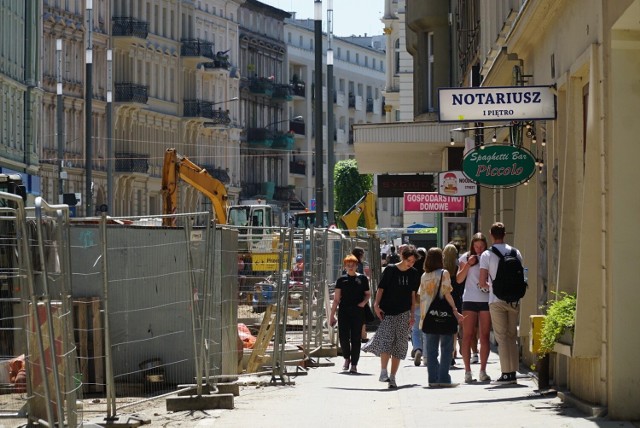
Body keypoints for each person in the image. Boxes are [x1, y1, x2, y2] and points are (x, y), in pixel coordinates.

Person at [363, 245, 420, 388]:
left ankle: (393, 376)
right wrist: (376, 305)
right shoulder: (390, 270)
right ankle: (383, 371)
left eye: (413, 261)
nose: (410, 264)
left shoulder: (413, 273)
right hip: (388, 311)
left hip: (404, 312)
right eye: (409, 260)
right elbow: (381, 288)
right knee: (387, 340)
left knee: (399, 345)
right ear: (403, 257)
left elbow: (413, 296)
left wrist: (412, 314)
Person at [479, 222, 523, 385]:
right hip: (514, 299)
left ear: (491, 235)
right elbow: (522, 273)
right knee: (512, 335)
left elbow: (482, 281)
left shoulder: (487, 255)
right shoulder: (515, 252)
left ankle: (506, 373)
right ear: (505, 234)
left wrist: (491, 287)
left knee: (502, 337)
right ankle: (514, 372)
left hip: (496, 300)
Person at [418, 247, 464, 387]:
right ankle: (443, 378)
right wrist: (455, 310)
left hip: (428, 317)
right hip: (443, 315)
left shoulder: (424, 276)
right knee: (446, 348)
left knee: (431, 351)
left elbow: (422, 296)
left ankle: (432, 379)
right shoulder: (444, 273)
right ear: (440, 259)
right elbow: (447, 293)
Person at [457, 233, 492, 383]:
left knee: (484, 336)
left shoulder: (489, 256)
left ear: (485, 245)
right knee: (467, 335)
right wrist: (468, 264)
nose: (479, 249)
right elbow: (459, 279)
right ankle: (467, 371)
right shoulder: (465, 258)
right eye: (476, 246)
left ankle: (483, 370)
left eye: (481, 246)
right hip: (469, 299)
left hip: (486, 299)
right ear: (472, 245)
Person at [329, 254, 371, 373]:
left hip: (358, 311)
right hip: (344, 311)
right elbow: (336, 299)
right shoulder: (341, 280)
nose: (350, 267)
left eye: (353, 265)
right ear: (345, 267)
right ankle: (347, 358)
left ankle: (354, 364)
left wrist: (363, 303)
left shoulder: (362, 279)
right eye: (348, 265)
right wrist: (332, 316)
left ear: (357, 266)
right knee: (343, 337)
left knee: (356, 338)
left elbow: (368, 294)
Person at [443, 243, 463, 368]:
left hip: (444, 300)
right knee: (454, 330)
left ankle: (446, 353)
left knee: (444, 329)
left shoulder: (441, 269)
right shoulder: (458, 268)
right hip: (457, 301)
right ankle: (452, 352)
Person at [410, 247, 427, 366]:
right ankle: (426, 355)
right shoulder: (428, 273)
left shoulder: (412, 272)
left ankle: (417, 349)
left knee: (415, 330)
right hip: (426, 304)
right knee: (426, 331)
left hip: (414, 304)